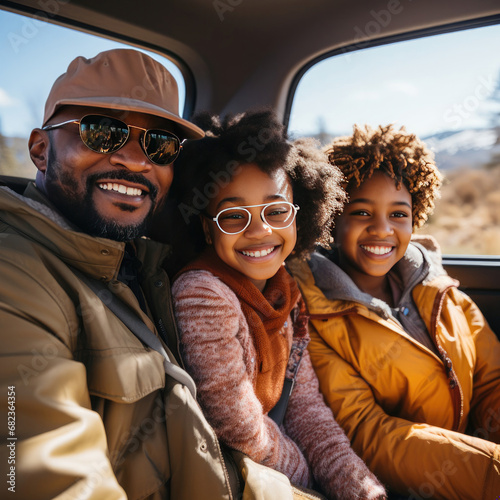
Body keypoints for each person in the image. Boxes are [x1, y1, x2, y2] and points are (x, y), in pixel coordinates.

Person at [0, 48, 255, 500]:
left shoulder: (140, 265)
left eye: (160, 145)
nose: (137, 161)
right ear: (41, 150)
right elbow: (42, 469)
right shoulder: (15, 275)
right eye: (103, 133)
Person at [168, 110, 388, 500]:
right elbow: (235, 423)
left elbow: (305, 407)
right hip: (234, 476)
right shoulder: (202, 293)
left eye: (276, 210)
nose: (260, 230)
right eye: (233, 216)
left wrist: (358, 486)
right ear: (206, 226)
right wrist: (309, 481)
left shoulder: (285, 293)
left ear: (298, 217)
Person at [287, 124, 500, 500]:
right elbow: (368, 432)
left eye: (398, 214)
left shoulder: (440, 290)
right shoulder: (313, 315)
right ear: (331, 218)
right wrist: (489, 470)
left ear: (415, 218)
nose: (382, 230)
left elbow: (490, 384)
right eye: (361, 212)